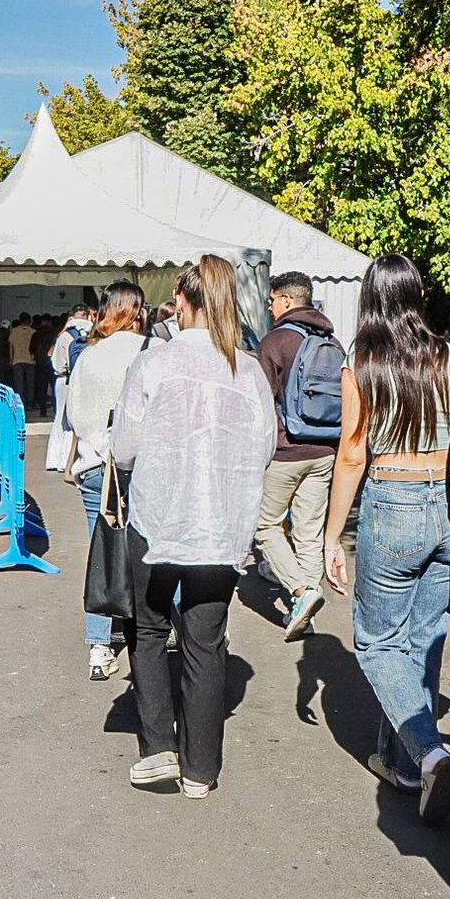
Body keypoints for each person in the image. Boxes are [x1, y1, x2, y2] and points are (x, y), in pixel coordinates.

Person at [112, 255, 277, 799]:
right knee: (207, 641)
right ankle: (200, 769)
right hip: (222, 524)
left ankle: (159, 745)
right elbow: (266, 446)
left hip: (158, 518)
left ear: (182, 302)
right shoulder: (248, 370)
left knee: (151, 630)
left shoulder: (154, 364)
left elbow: (125, 449)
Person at [324, 253, 450, 826]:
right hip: (449, 505)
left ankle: (429, 753)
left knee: (377, 644)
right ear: (416, 295)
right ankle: (405, 763)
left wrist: (332, 536)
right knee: (424, 637)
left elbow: (353, 452)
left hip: (395, 499)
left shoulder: (362, 362)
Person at [66, 283, 155, 680]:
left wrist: (98, 443)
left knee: (99, 553)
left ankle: (99, 645)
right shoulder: (148, 352)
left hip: (94, 462)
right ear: (136, 311)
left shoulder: (89, 354)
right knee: (147, 549)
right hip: (137, 464)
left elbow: (75, 413)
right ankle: (150, 634)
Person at [254, 271, 340, 640]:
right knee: (309, 532)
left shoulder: (276, 341)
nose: (270, 307)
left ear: (287, 301)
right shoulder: (332, 340)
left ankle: (301, 592)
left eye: (272, 300)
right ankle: (305, 609)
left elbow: (259, 399)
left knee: (266, 526)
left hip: (285, 451)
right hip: (325, 449)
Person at [47, 304, 95, 472]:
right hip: (82, 380)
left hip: (63, 380)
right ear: (88, 315)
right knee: (74, 422)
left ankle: (54, 459)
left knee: (60, 419)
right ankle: (68, 460)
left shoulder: (65, 335)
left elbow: (57, 363)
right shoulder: (94, 333)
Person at [8, 313, 35, 406]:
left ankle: (20, 403)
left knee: (19, 384)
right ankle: (30, 403)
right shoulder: (33, 331)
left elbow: (11, 347)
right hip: (30, 361)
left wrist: (11, 360)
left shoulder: (14, 331)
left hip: (17, 360)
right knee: (30, 384)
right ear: (29, 321)